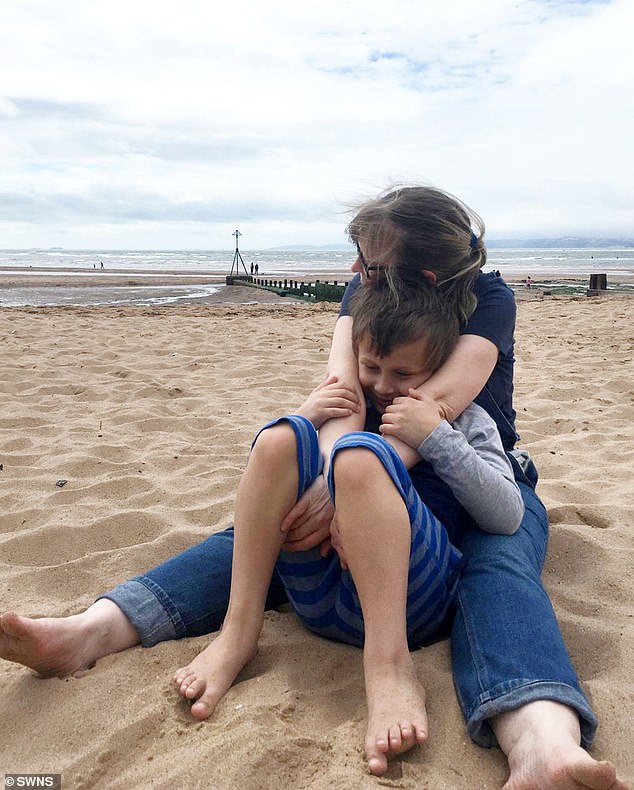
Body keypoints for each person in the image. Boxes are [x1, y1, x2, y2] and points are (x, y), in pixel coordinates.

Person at [0, 186, 626, 790]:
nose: (356, 271)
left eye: (372, 262)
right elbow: (345, 389)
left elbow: (433, 401)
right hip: (363, 461)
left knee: (498, 570)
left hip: (466, 467)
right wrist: (335, 478)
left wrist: (351, 476)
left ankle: (543, 740)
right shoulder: (367, 292)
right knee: (257, 536)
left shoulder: (489, 300)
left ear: (424, 277)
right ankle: (93, 631)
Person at [171, 280, 524, 775]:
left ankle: (389, 668)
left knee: (359, 460)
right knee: (278, 440)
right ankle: (238, 631)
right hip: (317, 592)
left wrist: (437, 437)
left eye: (404, 373)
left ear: (436, 368)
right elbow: (275, 479)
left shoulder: (464, 419)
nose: (382, 385)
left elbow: (507, 515)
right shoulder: (344, 406)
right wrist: (307, 416)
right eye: (371, 367)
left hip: (408, 603)